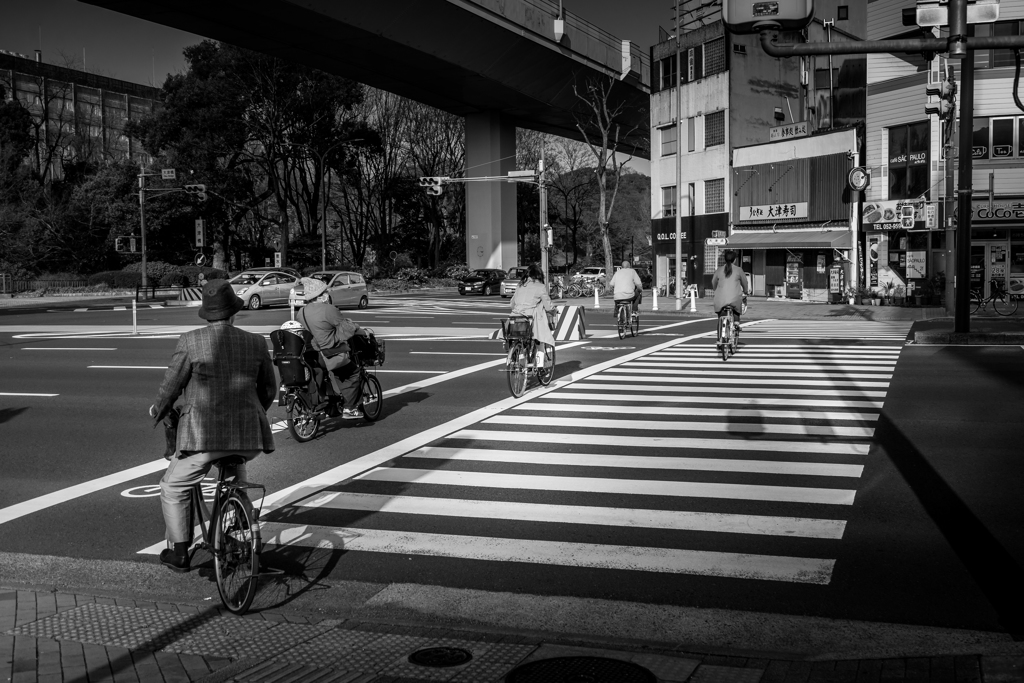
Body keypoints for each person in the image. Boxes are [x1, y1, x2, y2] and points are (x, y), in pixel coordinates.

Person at [149, 279, 276, 573]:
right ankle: (234, 528)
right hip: (248, 434)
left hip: (202, 436)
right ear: (233, 312)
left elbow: (172, 385)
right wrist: (252, 413)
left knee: (172, 487)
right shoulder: (256, 342)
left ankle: (180, 553)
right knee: (233, 479)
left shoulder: (191, 340)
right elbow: (268, 390)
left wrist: (159, 410)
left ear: (207, 313)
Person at [295, 277, 366, 419]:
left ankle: (329, 403)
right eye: (326, 292)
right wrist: (357, 328)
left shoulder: (301, 312)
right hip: (330, 354)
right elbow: (347, 328)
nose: (328, 294)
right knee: (352, 373)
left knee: (324, 375)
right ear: (322, 295)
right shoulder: (329, 309)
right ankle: (349, 409)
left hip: (313, 355)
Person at [510, 264, 556, 368]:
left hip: (515, 318)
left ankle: (520, 360)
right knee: (540, 339)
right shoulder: (540, 287)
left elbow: (512, 304)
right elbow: (548, 306)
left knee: (519, 339)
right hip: (531, 320)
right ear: (539, 275)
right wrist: (554, 310)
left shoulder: (520, 285)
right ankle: (540, 366)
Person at [711, 249, 750, 338]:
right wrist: (745, 292)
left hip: (720, 299)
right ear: (735, 260)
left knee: (720, 319)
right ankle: (736, 323)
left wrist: (716, 290)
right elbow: (745, 282)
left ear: (725, 259)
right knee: (737, 308)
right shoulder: (738, 270)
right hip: (735, 298)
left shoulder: (719, 270)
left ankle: (719, 340)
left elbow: (713, 282)